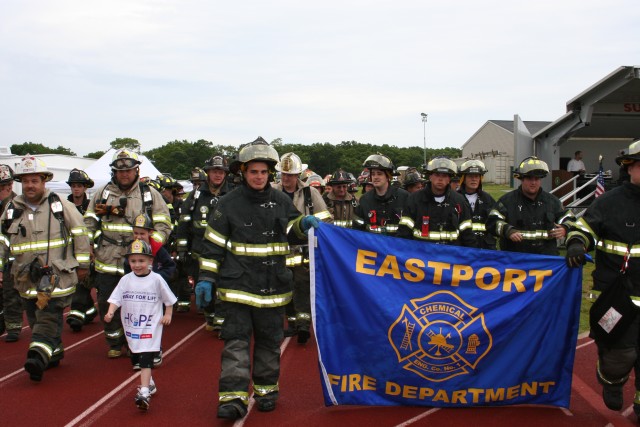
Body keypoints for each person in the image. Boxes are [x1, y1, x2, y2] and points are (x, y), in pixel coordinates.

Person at [197, 137, 318, 419]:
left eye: (264, 172)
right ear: (243, 172)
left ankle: (266, 391)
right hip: (238, 289)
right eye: (254, 171)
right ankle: (232, 397)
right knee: (236, 343)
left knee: (268, 343)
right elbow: (212, 245)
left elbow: (291, 228)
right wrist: (206, 278)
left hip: (274, 287)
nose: (259, 177)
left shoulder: (280, 200)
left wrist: (303, 224)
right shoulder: (227, 204)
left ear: (270, 173)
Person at [565, 140, 640, 416]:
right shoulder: (609, 201)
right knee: (619, 355)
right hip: (615, 297)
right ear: (629, 167)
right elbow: (582, 229)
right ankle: (612, 381)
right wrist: (576, 243)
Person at [0, 155, 90, 381]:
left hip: (56, 277)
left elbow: (80, 233)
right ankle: (55, 352)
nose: (30, 185)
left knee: (48, 317)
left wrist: (83, 265)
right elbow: (2, 241)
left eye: (35, 180)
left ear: (44, 181)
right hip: (25, 278)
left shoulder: (60, 205)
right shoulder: (12, 208)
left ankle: (37, 357)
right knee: (34, 319)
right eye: (26, 181)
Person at [84, 149, 172, 358]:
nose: (124, 174)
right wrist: (87, 245)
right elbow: (88, 223)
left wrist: (150, 247)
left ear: (136, 170)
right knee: (107, 302)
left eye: (129, 170)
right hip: (108, 260)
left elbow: (164, 223)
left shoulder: (149, 194)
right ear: (114, 172)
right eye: (120, 171)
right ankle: (115, 341)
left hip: (139, 263)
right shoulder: (102, 193)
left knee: (144, 307)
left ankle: (147, 346)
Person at [104, 239, 176, 411]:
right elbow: (116, 298)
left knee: (145, 359)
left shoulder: (157, 280)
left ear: (151, 261)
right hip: (132, 328)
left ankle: (144, 392)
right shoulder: (125, 280)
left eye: (141, 261)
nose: (137, 265)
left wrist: (168, 314)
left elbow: (169, 299)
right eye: (133, 261)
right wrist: (111, 311)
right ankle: (149, 383)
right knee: (136, 358)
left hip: (151, 328)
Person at [273, 152, 332, 344]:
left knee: (303, 287)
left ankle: (303, 326)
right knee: (283, 288)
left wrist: (313, 226)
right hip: (279, 249)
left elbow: (325, 218)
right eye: (283, 174)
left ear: (298, 175)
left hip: (303, 251)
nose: (286, 178)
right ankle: (291, 324)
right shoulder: (272, 192)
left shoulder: (310, 193)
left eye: (290, 174)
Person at [176, 155, 235, 332]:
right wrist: (181, 248)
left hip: (225, 250)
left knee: (224, 285)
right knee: (205, 285)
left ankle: (220, 320)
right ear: (208, 173)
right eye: (214, 171)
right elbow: (184, 222)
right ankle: (211, 315)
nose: (218, 175)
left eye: (221, 172)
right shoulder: (195, 196)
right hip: (200, 249)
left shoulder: (233, 194)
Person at [486, 156, 575, 255]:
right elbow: (492, 222)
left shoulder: (552, 201)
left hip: (545, 261)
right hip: (516, 261)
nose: (533, 182)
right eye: (529, 178)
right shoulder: (507, 201)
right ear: (521, 179)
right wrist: (508, 231)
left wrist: (564, 228)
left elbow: (569, 218)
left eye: (536, 179)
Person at [398, 156, 476, 246]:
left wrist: (472, 256)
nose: (440, 179)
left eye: (444, 175)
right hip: (422, 256)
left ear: (449, 179)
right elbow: (404, 233)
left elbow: (468, 235)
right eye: (437, 175)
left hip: (451, 256)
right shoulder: (414, 199)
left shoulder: (459, 201)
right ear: (430, 176)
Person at [65, 168, 99, 332]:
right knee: (78, 283)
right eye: (73, 186)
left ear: (85, 188)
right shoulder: (64, 206)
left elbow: (97, 228)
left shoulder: (91, 207)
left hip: (91, 252)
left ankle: (78, 314)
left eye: (79, 186)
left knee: (83, 283)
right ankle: (85, 313)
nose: (76, 189)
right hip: (70, 252)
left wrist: (93, 246)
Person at [353, 154, 409, 236]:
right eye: (373, 174)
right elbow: (357, 229)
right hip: (372, 247)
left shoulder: (404, 197)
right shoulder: (365, 199)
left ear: (388, 176)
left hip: (397, 247)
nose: (375, 177)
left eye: (379, 174)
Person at [0, 164, 22, 341]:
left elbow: (7, 238)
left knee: (11, 293)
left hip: (13, 258)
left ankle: (13, 328)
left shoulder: (17, 205)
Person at [458, 159, 497, 249]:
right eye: (470, 176)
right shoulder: (456, 199)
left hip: (484, 247)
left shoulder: (487, 199)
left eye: (477, 176)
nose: (474, 179)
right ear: (463, 179)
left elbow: (495, 221)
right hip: (463, 247)